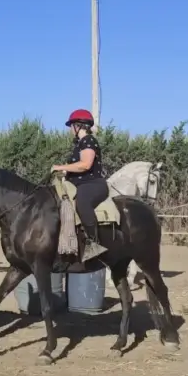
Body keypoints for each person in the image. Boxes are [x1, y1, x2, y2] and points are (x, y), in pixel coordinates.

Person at [50, 108, 107, 262]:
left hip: (92, 184)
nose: (70, 129)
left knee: (82, 204)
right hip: (78, 184)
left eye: (72, 125)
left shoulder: (89, 141)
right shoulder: (80, 144)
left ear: (79, 126)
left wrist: (61, 167)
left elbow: (86, 165)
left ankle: (94, 244)